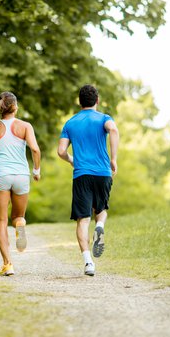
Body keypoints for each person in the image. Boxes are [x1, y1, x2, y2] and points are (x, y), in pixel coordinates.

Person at [57, 84, 119, 276]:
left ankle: (88, 262)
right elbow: (114, 130)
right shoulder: (104, 118)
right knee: (101, 210)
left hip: (81, 174)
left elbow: (61, 151)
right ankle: (99, 227)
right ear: (97, 101)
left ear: (80, 101)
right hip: (103, 173)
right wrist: (113, 159)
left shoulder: (70, 123)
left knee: (83, 220)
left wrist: (71, 160)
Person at [0, 92, 41, 276]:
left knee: (1, 221)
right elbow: (35, 150)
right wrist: (36, 171)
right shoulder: (25, 126)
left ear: (0, 107)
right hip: (21, 175)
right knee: (17, 216)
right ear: (15, 107)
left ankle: (8, 265)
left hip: (1, 175)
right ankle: (21, 223)